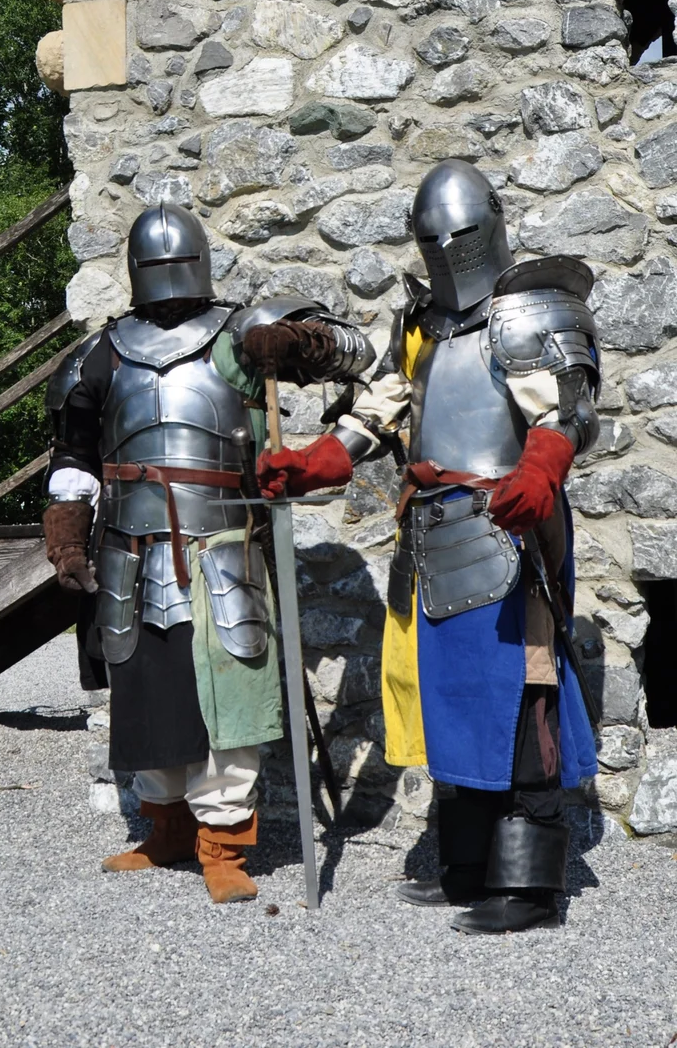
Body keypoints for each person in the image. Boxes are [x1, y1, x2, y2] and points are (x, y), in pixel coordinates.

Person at [257, 159, 601, 934]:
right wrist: (316, 462)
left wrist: (543, 465)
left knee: (523, 695)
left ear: (492, 227)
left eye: (460, 236)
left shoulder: (530, 312)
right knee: (451, 701)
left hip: (510, 529)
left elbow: (571, 410)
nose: (448, 252)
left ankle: (527, 888)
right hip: (433, 534)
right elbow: (378, 410)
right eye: (431, 240)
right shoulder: (418, 325)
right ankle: (467, 868)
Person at [42, 203, 374, 904]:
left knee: (230, 698)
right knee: (147, 694)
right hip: (130, 548)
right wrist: (67, 528)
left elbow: (357, 352)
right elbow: (72, 449)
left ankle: (223, 844)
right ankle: (165, 830)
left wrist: (298, 343)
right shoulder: (102, 352)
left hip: (224, 546)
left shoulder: (241, 334)